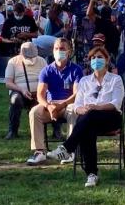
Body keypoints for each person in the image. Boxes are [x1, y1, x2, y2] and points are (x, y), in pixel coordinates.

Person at [46, 46, 125, 188]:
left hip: (110, 117)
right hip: (89, 120)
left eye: (100, 57)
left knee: (90, 116)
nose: (96, 60)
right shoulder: (84, 81)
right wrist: (82, 109)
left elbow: (116, 103)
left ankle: (66, 148)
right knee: (87, 126)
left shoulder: (116, 79)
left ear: (107, 60)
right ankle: (91, 174)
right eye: (93, 58)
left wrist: (96, 107)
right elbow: (77, 105)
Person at [26, 37, 84, 165]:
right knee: (35, 112)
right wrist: (49, 106)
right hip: (50, 105)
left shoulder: (76, 70)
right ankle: (39, 152)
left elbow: (77, 94)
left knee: (74, 110)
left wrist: (61, 105)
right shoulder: (46, 70)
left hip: (68, 103)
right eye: (56, 48)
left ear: (69, 51)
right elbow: (40, 95)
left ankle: (70, 151)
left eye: (62, 49)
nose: (59, 51)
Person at [3, 41, 47, 140]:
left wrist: (41, 91)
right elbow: (8, 83)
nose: (31, 59)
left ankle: (55, 131)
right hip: (19, 92)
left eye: (33, 56)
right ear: (21, 53)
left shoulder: (42, 61)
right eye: (28, 56)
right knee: (15, 100)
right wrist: (22, 90)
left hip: (39, 92)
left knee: (53, 98)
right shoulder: (13, 62)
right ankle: (12, 131)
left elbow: (48, 79)